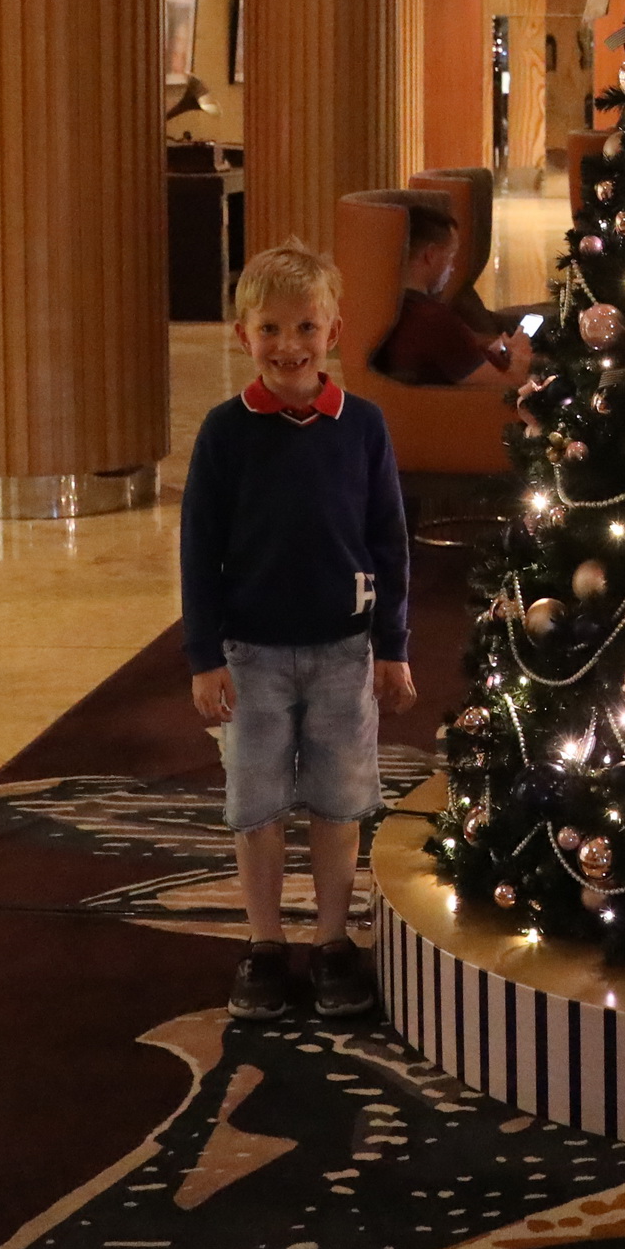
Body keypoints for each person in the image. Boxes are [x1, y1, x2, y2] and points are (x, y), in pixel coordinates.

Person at [182, 237, 416, 1021]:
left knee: (340, 800)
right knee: (255, 804)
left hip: (344, 652)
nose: (289, 346)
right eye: (272, 329)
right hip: (251, 656)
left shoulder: (364, 428)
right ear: (242, 334)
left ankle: (330, 941)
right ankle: (263, 943)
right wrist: (204, 656)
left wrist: (394, 646)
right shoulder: (224, 433)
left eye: (306, 328)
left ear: (334, 334)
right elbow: (199, 550)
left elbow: (389, 540)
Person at [371, 204, 531, 387]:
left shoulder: (388, 304)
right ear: (430, 255)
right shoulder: (432, 319)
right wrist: (521, 354)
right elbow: (511, 389)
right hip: (457, 411)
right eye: (450, 256)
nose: (453, 267)